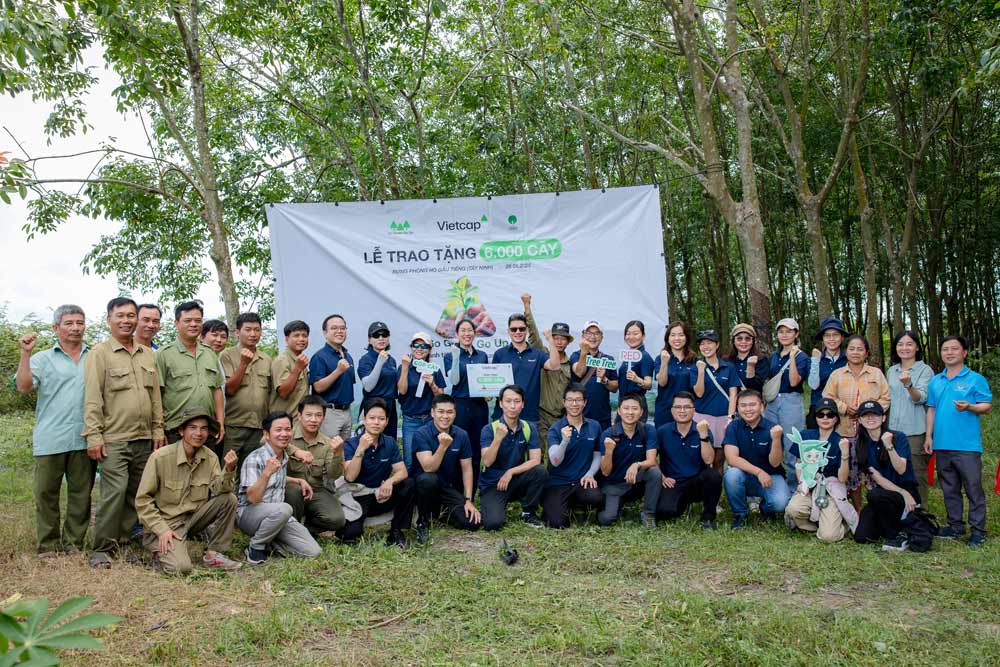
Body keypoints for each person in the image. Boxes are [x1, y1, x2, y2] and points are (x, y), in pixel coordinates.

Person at [82, 297, 165, 568]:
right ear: (109, 319)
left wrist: (158, 430)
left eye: (131, 315)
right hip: (114, 438)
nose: (126, 321)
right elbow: (92, 398)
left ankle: (124, 544)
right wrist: (94, 436)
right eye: (120, 316)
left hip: (144, 438)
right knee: (113, 494)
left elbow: (155, 397)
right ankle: (102, 549)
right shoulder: (99, 353)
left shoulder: (147, 354)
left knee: (135, 493)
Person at [15, 305, 95, 557]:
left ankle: (73, 544)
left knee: (81, 495)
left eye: (80, 322)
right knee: (46, 494)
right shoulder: (42, 358)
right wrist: (25, 353)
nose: (75, 328)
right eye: (69, 323)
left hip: (85, 437)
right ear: (56, 327)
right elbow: (23, 387)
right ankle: (48, 546)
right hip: (51, 437)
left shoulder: (94, 356)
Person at [135, 407, 242, 574]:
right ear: (181, 431)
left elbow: (220, 490)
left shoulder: (211, 457)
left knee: (229, 499)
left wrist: (229, 469)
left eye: (204, 428)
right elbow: (143, 501)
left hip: (193, 520)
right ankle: (157, 549)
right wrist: (162, 530)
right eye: (193, 427)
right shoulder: (160, 457)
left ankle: (213, 554)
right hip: (167, 524)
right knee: (181, 568)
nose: (199, 433)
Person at [926, 336, 992, 548]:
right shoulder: (936, 380)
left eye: (954, 349)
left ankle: (978, 531)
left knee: (973, 488)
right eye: (945, 349)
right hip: (942, 444)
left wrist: (970, 407)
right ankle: (955, 526)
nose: (949, 352)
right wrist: (929, 436)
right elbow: (931, 409)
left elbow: (986, 405)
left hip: (967, 446)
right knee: (949, 488)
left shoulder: (975, 379)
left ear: (964, 352)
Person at [237, 411, 322, 564]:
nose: (284, 434)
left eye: (288, 429)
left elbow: (276, 479)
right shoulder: (255, 458)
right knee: (285, 508)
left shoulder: (284, 456)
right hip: (250, 515)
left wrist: (297, 480)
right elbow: (252, 498)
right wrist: (266, 473)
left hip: (277, 516)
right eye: (278, 430)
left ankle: (270, 543)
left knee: (313, 551)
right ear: (266, 434)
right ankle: (255, 547)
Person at [339, 398, 417, 547]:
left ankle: (396, 530)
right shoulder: (351, 443)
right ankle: (355, 523)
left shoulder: (389, 442)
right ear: (364, 419)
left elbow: (402, 472)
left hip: (380, 494)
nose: (376, 422)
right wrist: (361, 449)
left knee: (409, 484)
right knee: (349, 535)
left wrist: (389, 481)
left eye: (381, 419)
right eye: (372, 418)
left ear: (386, 421)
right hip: (358, 496)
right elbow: (350, 477)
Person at [822, 335, 890, 505]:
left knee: (873, 470)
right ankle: (857, 509)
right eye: (852, 348)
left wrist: (868, 412)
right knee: (851, 473)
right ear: (846, 352)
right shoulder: (837, 375)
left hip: (871, 433)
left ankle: (876, 507)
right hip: (845, 431)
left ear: (866, 353)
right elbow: (827, 397)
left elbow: (886, 399)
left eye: (860, 349)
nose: (855, 352)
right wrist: (844, 408)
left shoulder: (876, 374)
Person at [783, 398, 856, 542]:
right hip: (809, 485)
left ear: (836, 418)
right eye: (821, 414)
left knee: (829, 536)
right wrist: (802, 483)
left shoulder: (840, 441)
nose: (825, 418)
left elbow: (842, 478)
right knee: (793, 509)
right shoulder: (805, 436)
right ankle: (812, 526)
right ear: (815, 418)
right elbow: (799, 463)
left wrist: (845, 454)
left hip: (830, 491)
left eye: (830, 415)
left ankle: (840, 524)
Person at [411, 394, 481, 543]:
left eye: (450, 412)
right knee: (428, 479)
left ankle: (437, 513)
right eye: (441, 412)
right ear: (432, 413)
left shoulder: (461, 435)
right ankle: (422, 520)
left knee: (472, 523)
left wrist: (468, 500)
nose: (445, 416)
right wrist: (442, 447)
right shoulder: (421, 434)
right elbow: (429, 467)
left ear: (455, 413)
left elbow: (467, 469)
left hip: (448, 488)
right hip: (424, 487)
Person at [852, 401, 919, 551]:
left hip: (907, 492)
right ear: (860, 420)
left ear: (883, 418)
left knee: (874, 495)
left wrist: (889, 445)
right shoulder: (862, 444)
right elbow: (878, 478)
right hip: (888, 492)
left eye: (875, 415)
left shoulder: (898, 437)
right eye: (865, 415)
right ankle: (892, 526)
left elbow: (901, 469)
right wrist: (902, 492)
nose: (870, 418)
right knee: (862, 537)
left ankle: (898, 535)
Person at [479, 384, 548, 530]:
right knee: (493, 524)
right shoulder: (489, 429)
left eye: (517, 401)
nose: (512, 406)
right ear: (500, 403)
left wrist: (510, 472)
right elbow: (487, 461)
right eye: (508, 401)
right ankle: (495, 506)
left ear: (522, 404)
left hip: (516, 480)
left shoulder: (528, 427)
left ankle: (528, 512)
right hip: (493, 484)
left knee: (540, 471)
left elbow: (535, 460)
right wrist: (498, 438)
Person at [156, 301, 225, 447]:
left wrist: (220, 422)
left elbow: (217, 389)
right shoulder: (164, 354)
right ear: (176, 323)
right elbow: (156, 394)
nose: (193, 324)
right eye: (188, 320)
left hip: (206, 429)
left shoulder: (209, 353)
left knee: (208, 462)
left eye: (198, 321)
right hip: (176, 429)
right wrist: (158, 429)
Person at [723, 390, 791, 529]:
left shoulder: (773, 429)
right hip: (744, 475)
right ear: (737, 408)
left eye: (752, 405)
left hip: (770, 476)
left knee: (781, 503)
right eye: (743, 405)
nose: (748, 409)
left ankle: (765, 508)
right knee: (731, 475)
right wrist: (758, 472)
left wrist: (776, 440)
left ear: (762, 407)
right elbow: (732, 459)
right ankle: (740, 514)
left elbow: (775, 463)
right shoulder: (733, 427)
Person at [541, 384, 604, 528]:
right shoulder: (556, 428)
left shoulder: (594, 426)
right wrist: (564, 441)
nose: (574, 404)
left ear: (585, 402)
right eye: (570, 400)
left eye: (578, 400)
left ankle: (577, 506)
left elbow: (597, 454)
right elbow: (555, 461)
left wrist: (590, 474)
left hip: (581, 481)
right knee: (557, 523)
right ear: (564, 402)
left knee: (597, 498)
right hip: (558, 483)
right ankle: (559, 506)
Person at [656, 392, 722, 529]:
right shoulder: (662, 431)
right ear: (672, 410)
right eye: (678, 407)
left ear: (694, 410)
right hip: (672, 483)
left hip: (696, 482)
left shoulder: (702, 430)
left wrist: (703, 436)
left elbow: (709, 460)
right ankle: (682, 504)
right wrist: (662, 477)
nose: (682, 410)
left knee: (713, 475)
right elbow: (650, 459)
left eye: (687, 407)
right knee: (666, 512)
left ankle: (708, 518)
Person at [285, 396, 347, 535]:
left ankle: (305, 530)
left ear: (323, 418)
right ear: (299, 416)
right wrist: (295, 451)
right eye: (308, 415)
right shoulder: (287, 434)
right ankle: (290, 533)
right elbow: (265, 441)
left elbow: (333, 474)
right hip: (290, 488)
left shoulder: (327, 443)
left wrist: (338, 453)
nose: (313, 420)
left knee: (337, 520)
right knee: (294, 491)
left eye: (318, 415)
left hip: (315, 490)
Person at [596, 394, 660, 527]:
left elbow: (652, 461)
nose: (630, 412)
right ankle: (616, 505)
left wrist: (637, 464)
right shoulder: (608, 434)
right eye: (626, 408)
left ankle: (648, 514)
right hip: (614, 485)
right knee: (607, 519)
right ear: (619, 411)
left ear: (641, 412)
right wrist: (609, 451)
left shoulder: (648, 430)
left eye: (635, 408)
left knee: (654, 472)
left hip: (635, 480)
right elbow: (605, 472)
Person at [220, 313, 273, 473]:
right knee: (228, 470)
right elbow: (229, 389)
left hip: (258, 426)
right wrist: (243, 364)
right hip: (234, 424)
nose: (253, 334)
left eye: (257, 330)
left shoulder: (266, 359)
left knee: (252, 471)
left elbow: (270, 394)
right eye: (248, 329)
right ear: (237, 332)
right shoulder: (227, 355)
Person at [886, 331, 933, 507]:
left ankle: (921, 513)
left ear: (917, 347)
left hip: (914, 432)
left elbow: (920, 398)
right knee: (895, 472)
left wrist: (908, 385)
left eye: (909, 344)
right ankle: (901, 512)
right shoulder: (891, 371)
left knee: (916, 474)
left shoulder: (925, 370)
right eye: (900, 344)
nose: (904, 348)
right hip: (893, 431)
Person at [444, 318, 490, 491]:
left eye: (469, 330)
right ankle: (456, 490)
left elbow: (486, 380)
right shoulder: (450, 356)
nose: (466, 334)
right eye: (462, 330)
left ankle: (473, 489)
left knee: (477, 448)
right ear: (457, 334)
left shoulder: (482, 356)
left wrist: (488, 391)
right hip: (460, 406)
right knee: (458, 446)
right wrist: (456, 357)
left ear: (474, 333)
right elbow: (454, 380)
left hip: (479, 407)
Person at [763, 318, 810, 487]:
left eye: (789, 331)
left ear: (796, 334)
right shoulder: (773, 356)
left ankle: (793, 487)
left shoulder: (802, 357)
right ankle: (773, 484)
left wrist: (792, 357)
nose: (784, 335)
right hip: (772, 402)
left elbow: (793, 382)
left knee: (792, 445)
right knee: (771, 442)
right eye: (781, 332)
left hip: (791, 401)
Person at [491, 299, 548, 429]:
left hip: (530, 416)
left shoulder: (537, 354)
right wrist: (487, 393)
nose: (518, 332)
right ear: (509, 331)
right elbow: (492, 384)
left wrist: (550, 340)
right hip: (502, 416)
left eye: (521, 329)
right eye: (514, 329)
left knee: (531, 444)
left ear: (526, 330)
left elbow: (554, 366)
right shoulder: (499, 354)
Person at [398, 331, 446, 468]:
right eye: (416, 345)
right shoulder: (404, 367)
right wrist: (405, 369)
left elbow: (441, 398)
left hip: (430, 421)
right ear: (411, 347)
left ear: (429, 350)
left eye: (424, 346)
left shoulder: (434, 370)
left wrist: (433, 385)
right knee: (409, 460)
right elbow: (402, 390)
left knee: (433, 458)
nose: (419, 349)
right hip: (410, 420)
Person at [690, 329, 737, 468]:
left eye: (709, 343)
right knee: (701, 457)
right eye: (702, 344)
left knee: (719, 459)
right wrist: (701, 371)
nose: (706, 346)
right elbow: (698, 393)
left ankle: (717, 481)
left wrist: (730, 418)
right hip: (702, 417)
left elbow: (733, 394)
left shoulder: (728, 367)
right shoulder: (695, 367)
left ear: (717, 345)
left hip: (723, 417)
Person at [309, 314, 356, 440]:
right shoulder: (319, 357)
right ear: (325, 333)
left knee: (345, 449)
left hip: (347, 411)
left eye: (342, 328)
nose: (339, 331)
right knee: (329, 450)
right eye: (334, 328)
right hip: (329, 413)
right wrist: (338, 371)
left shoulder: (348, 356)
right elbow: (318, 387)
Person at [569, 321, 619, 431]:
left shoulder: (608, 359)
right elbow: (579, 372)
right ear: (583, 335)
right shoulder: (575, 356)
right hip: (580, 416)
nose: (593, 337)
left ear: (601, 337)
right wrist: (584, 353)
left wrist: (605, 379)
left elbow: (615, 387)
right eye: (589, 333)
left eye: (597, 333)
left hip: (603, 417)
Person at [358, 321, 399, 439]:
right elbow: (368, 386)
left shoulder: (391, 360)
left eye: (384, 335)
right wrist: (379, 362)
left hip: (390, 407)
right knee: (370, 442)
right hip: (373, 405)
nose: (381, 338)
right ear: (369, 340)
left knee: (390, 441)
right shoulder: (365, 359)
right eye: (376, 335)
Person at [807, 316, 849, 428]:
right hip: (818, 407)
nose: (831, 339)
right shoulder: (815, 359)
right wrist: (815, 361)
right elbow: (813, 385)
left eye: (835, 335)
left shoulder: (848, 359)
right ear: (823, 338)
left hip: (842, 408)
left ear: (842, 337)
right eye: (827, 335)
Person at [653, 321, 695, 428]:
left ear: (686, 337)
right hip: (664, 412)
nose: (677, 338)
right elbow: (662, 383)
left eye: (681, 335)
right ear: (667, 338)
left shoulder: (694, 360)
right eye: (673, 335)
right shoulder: (660, 358)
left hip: (687, 412)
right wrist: (664, 362)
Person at [536, 323, 574, 437]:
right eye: (556, 338)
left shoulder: (570, 364)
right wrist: (527, 312)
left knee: (559, 446)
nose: (559, 342)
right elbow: (534, 338)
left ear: (568, 342)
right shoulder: (543, 356)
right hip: (542, 415)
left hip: (561, 417)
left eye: (563, 339)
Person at [270, 320, 311, 424]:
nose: (301, 339)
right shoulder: (282, 360)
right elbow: (283, 392)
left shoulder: (300, 360)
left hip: (299, 420)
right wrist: (297, 369)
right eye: (296, 335)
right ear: (287, 338)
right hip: (285, 422)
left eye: (304, 336)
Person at [618, 320, 654, 421]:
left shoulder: (645, 356)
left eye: (635, 333)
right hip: (623, 401)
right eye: (628, 334)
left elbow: (648, 384)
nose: (631, 337)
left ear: (643, 336)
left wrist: (637, 379)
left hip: (636, 403)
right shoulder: (627, 355)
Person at [727, 323, 769, 393]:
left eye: (747, 338)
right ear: (734, 341)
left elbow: (757, 388)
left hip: (753, 399)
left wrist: (750, 367)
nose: (743, 342)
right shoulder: (727, 361)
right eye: (739, 338)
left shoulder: (761, 360)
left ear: (753, 341)